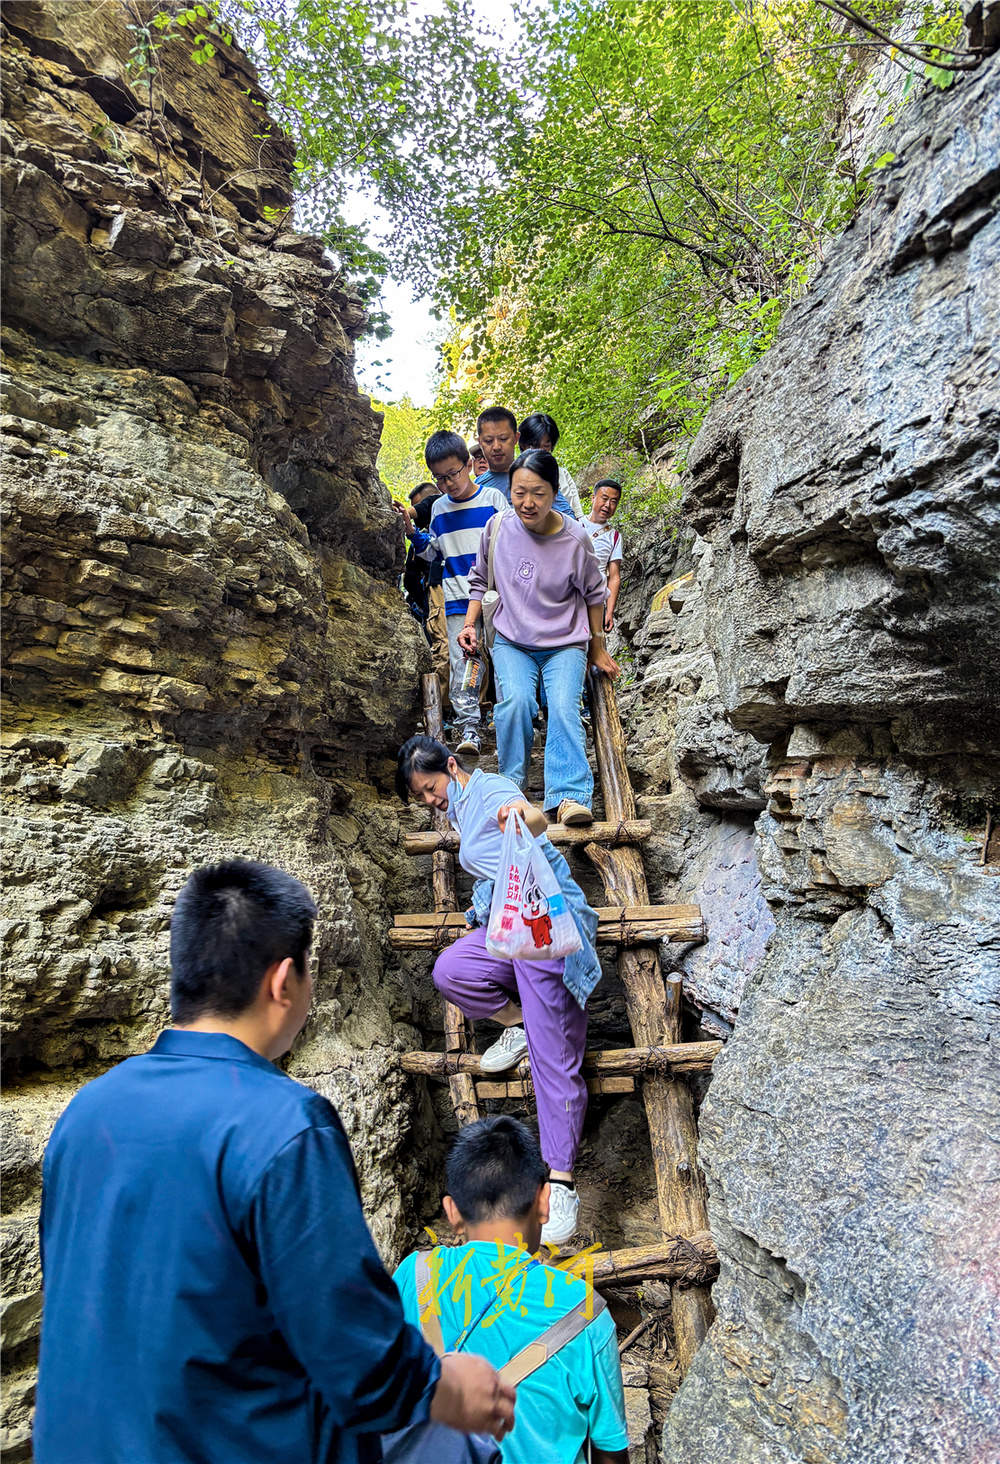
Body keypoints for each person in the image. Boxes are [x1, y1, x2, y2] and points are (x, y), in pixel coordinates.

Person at [35, 860, 515, 1464]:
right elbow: (359, 1360)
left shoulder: (85, 1114)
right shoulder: (284, 1124)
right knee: (458, 1442)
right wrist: (444, 1385)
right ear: (284, 981)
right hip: (225, 1445)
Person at [396, 737, 604, 1244]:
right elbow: (496, 870)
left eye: (430, 788)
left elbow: (529, 820)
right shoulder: (461, 811)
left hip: (546, 924)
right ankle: (517, 1025)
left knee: (555, 1058)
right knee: (452, 970)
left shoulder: (488, 791)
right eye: (420, 796)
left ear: (450, 766)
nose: (429, 801)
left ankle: (561, 1182)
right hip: (510, 927)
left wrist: (523, 814)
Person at [393, 1117, 629, 1464]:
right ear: (545, 1200)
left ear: (452, 1212)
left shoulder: (413, 1277)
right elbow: (610, 1453)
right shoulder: (584, 1312)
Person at [460, 449, 620, 827]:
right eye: (519, 492)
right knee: (514, 704)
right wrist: (469, 625)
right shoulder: (497, 527)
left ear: (554, 492)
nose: (527, 503)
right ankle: (513, 792)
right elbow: (479, 582)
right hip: (513, 640)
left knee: (564, 707)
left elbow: (595, 595)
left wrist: (596, 648)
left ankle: (568, 796)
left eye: (538, 493)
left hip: (564, 643)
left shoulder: (575, 538)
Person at [405, 431, 508, 757]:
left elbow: (511, 546)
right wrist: (413, 536)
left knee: (504, 657)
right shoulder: (438, 510)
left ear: (468, 464)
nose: (448, 483)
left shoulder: (493, 500)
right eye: (440, 478)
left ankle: (509, 722)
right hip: (456, 601)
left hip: (497, 599)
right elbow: (434, 554)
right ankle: (469, 728)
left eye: (453, 474)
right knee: (467, 664)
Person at [517, 413, 584, 520]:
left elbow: (578, 516)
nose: (538, 452)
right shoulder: (512, 477)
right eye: (534, 446)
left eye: (545, 446)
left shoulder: (562, 475)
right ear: (522, 445)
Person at [583, 479, 623, 632]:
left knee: (594, 649)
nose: (608, 505)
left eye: (613, 502)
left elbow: (614, 577)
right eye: (604, 499)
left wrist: (610, 611)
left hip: (595, 601)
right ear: (593, 498)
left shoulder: (614, 537)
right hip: (568, 595)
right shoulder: (573, 523)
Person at [402, 484, 442, 625]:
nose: (416, 517)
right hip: (434, 608)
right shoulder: (420, 539)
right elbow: (410, 580)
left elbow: (410, 581)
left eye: (418, 508)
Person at [475, 408, 520, 502]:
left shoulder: (536, 477)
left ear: (516, 438)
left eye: (503, 439)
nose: (496, 447)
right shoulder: (476, 488)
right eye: (488, 441)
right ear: (480, 442)